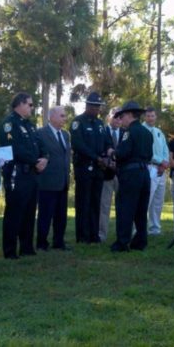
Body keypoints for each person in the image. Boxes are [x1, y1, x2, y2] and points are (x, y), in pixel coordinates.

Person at [0, 92, 48, 259]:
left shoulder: (30, 125)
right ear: (20, 104)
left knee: (29, 212)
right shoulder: (9, 124)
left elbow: (40, 144)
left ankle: (27, 247)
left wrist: (44, 159)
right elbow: (14, 149)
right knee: (15, 212)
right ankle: (10, 250)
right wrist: (35, 160)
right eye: (30, 104)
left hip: (32, 174)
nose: (32, 108)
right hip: (17, 174)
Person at [108, 101, 153, 252]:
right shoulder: (147, 133)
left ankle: (122, 242)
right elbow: (149, 155)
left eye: (122, 116)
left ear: (128, 115)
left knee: (125, 208)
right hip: (145, 173)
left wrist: (112, 153)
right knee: (141, 209)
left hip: (131, 174)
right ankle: (141, 240)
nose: (121, 120)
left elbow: (122, 153)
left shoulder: (129, 132)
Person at [70, 92, 112, 244]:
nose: (97, 109)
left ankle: (94, 235)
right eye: (94, 106)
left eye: (99, 107)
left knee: (96, 202)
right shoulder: (78, 122)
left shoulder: (100, 124)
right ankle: (82, 235)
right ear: (87, 106)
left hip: (99, 169)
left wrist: (107, 155)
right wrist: (97, 158)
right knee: (84, 202)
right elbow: (78, 145)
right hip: (84, 168)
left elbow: (108, 142)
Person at [36, 106, 71, 251]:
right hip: (47, 181)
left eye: (65, 116)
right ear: (52, 117)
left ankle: (59, 241)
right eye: (62, 116)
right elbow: (40, 155)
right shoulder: (41, 134)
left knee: (61, 215)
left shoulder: (65, 135)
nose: (65, 118)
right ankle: (42, 243)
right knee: (45, 214)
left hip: (63, 181)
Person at [143, 106, 169, 235]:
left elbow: (165, 149)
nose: (150, 118)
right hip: (149, 167)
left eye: (152, 116)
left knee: (158, 200)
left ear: (155, 117)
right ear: (144, 117)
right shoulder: (142, 131)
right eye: (148, 116)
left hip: (161, 170)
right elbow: (146, 151)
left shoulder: (159, 132)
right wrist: (160, 161)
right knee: (146, 199)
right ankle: (139, 228)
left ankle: (155, 228)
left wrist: (164, 163)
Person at [99, 107, 122, 242]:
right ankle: (102, 234)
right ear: (109, 117)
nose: (117, 120)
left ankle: (123, 233)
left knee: (123, 205)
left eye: (120, 117)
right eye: (115, 117)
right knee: (104, 205)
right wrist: (106, 162)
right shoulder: (102, 131)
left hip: (121, 174)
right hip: (106, 174)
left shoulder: (126, 133)